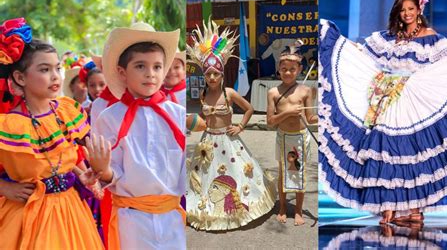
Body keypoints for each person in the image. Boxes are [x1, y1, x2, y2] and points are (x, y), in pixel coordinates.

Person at [318, 0, 447, 225]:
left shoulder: (432, 38)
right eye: (403, 10)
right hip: (386, 101)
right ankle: (388, 208)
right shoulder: (387, 37)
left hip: (414, 102)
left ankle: (414, 210)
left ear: (419, 10)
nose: (407, 13)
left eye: (411, 9)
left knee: (414, 155)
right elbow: (364, 56)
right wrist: (338, 43)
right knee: (386, 154)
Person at [0, 17, 103, 249]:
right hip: (28, 214)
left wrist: (79, 174)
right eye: (44, 69)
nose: (55, 75)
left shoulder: (65, 112)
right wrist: (4, 187)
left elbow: (59, 158)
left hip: (71, 211)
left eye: (57, 68)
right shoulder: (8, 126)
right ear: (19, 77)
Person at [86, 22, 186, 249]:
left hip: (172, 217)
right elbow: (114, 172)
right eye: (140, 66)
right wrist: (103, 169)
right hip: (131, 219)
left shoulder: (178, 115)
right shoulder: (109, 118)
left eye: (157, 67)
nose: (150, 74)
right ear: (122, 72)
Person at [186, 19, 276, 231]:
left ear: (222, 74)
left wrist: (240, 126)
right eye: (208, 73)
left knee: (237, 176)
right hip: (208, 142)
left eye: (215, 73)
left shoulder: (230, 93)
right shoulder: (203, 94)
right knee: (207, 178)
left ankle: (237, 208)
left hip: (229, 142)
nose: (212, 77)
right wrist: (194, 124)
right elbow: (202, 119)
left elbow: (249, 109)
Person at [266, 40, 317, 226]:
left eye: (292, 69)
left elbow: (310, 119)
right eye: (284, 69)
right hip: (283, 137)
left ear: (299, 69)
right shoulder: (273, 92)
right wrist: (287, 112)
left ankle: (298, 210)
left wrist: (326, 117)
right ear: (279, 69)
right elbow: (270, 122)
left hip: (300, 138)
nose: (288, 73)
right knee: (283, 173)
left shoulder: (305, 90)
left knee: (299, 173)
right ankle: (281, 208)